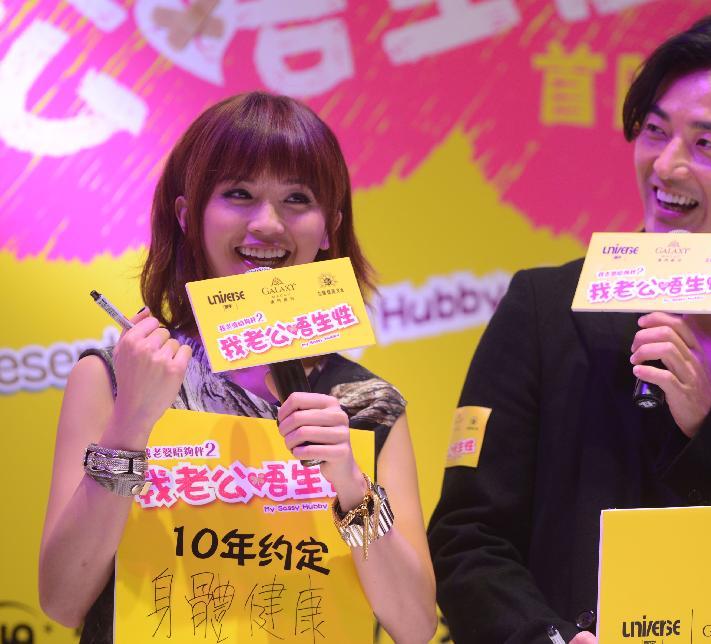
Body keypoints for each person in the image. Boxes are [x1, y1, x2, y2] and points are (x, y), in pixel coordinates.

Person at [427, 9, 711, 644]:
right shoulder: (544, 307)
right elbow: (466, 534)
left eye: (708, 144)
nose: (666, 165)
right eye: (654, 130)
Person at [38, 93, 437, 644]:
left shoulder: (365, 404)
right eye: (239, 194)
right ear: (188, 215)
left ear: (329, 227)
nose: (268, 224)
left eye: (297, 198)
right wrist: (130, 425)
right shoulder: (113, 376)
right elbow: (61, 600)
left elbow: (416, 627)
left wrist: (350, 485)